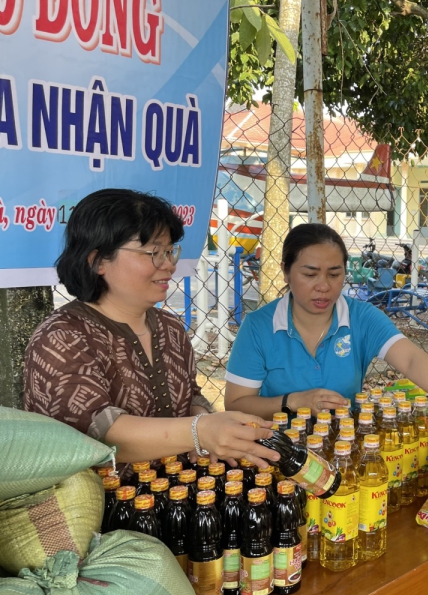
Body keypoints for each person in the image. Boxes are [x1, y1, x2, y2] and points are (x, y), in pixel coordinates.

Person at [22, 189, 278, 471]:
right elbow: (101, 434)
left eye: (169, 251)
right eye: (153, 252)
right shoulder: (61, 337)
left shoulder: (169, 327)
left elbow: (190, 396)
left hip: (180, 497)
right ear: (98, 261)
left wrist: (206, 421)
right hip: (102, 507)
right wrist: (199, 430)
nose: (169, 264)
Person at [223, 223, 428, 442]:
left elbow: (411, 360)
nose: (323, 285)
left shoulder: (361, 318)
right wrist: (294, 402)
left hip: (342, 447)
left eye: (335, 274)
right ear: (286, 271)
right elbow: (236, 404)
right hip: (275, 450)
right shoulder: (259, 327)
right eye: (310, 274)